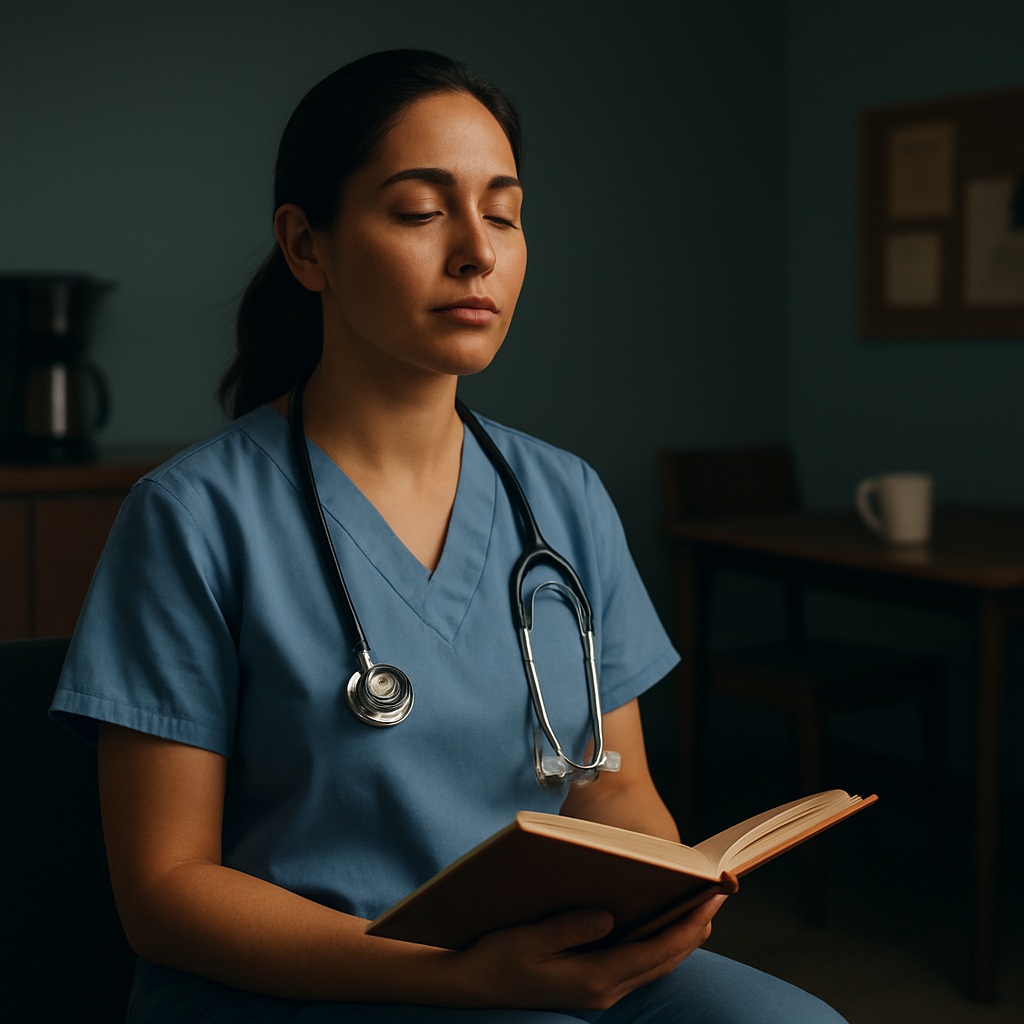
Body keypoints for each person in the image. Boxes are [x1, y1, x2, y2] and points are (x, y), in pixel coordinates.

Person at [50, 49, 848, 1023]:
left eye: (503, 213)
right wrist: (458, 978)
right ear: (308, 247)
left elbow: (612, 788)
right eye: (422, 211)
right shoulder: (190, 515)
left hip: (537, 960)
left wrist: (660, 889)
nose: (476, 250)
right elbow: (165, 893)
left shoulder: (564, 495)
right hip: (303, 980)